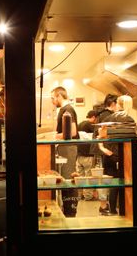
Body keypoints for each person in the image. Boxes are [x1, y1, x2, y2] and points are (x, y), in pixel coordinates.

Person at [98, 95, 136, 216]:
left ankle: (113, 210)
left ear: (118, 104)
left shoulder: (110, 118)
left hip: (111, 155)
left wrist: (103, 148)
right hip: (122, 156)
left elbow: (99, 135)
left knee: (114, 183)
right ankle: (123, 211)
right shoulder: (130, 119)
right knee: (122, 183)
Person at [50, 86, 79, 217]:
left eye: (52, 98)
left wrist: (53, 136)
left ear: (59, 96)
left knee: (68, 180)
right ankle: (66, 210)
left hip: (68, 149)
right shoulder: (64, 110)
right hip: (64, 149)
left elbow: (72, 132)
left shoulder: (68, 110)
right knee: (64, 180)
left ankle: (70, 211)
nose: (52, 101)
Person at [75, 110, 99, 200]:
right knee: (88, 176)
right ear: (93, 117)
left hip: (79, 155)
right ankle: (88, 196)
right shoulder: (90, 125)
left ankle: (79, 195)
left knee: (80, 177)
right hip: (88, 155)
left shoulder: (79, 124)